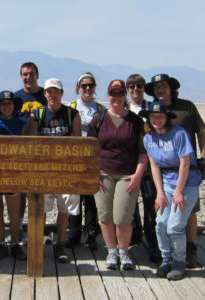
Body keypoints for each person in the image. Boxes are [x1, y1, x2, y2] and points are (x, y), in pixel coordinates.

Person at [144, 74, 205, 268]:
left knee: (188, 213)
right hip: (166, 175)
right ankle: (168, 256)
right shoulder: (152, 117)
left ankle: (190, 249)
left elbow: (201, 132)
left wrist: (203, 157)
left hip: (188, 169)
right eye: (157, 88)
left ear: (171, 88)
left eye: (164, 86)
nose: (160, 90)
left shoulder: (187, 107)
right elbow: (153, 160)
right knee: (164, 220)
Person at [87, 79, 148, 270]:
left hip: (126, 175)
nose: (116, 98)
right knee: (105, 216)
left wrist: (138, 174)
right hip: (103, 174)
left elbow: (143, 151)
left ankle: (124, 251)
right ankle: (111, 251)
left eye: (120, 94)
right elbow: (89, 149)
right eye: (113, 94)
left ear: (125, 96)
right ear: (108, 95)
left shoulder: (135, 121)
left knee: (122, 217)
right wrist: (95, 172)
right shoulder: (99, 119)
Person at [139, 101, 202, 280]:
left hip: (186, 184)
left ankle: (179, 262)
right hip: (166, 184)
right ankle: (165, 259)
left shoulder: (179, 134)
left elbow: (185, 162)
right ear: (148, 119)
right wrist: (159, 193)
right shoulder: (148, 138)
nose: (157, 119)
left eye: (160, 116)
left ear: (167, 117)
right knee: (161, 223)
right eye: (153, 116)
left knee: (175, 226)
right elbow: (154, 166)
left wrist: (179, 192)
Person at [28, 78, 81, 263]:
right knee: (42, 206)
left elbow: (79, 144)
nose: (53, 95)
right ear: (45, 94)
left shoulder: (72, 114)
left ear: (61, 93)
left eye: (56, 91)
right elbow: (31, 144)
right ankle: (39, 241)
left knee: (64, 207)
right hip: (44, 170)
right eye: (49, 91)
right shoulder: (37, 114)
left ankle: (60, 243)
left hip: (65, 169)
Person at [65, 72, 105, 250]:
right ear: (78, 88)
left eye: (90, 85)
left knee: (90, 198)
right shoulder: (71, 106)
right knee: (74, 197)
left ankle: (91, 234)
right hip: (74, 159)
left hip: (92, 160)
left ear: (95, 87)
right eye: (84, 85)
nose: (87, 88)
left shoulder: (101, 109)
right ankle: (73, 233)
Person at [0, 91, 27, 262]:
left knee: (14, 212)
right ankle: (2, 243)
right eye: (3, 104)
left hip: (14, 173)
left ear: (14, 105)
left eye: (9, 103)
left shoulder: (21, 124)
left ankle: (15, 243)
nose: (7, 107)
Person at [125, 74, 161, 263]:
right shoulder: (123, 109)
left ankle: (153, 243)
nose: (135, 89)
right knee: (130, 205)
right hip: (129, 165)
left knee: (150, 206)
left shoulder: (152, 108)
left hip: (150, 166)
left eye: (139, 86)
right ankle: (135, 234)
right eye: (131, 86)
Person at [14, 62, 48, 240]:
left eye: (32, 74)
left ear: (37, 75)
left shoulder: (46, 95)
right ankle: (19, 226)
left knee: (39, 191)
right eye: (25, 74)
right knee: (20, 190)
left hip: (42, 150)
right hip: (22, 151)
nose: (28, 77)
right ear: (21, 76)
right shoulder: (16, 97)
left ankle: (38, 229)